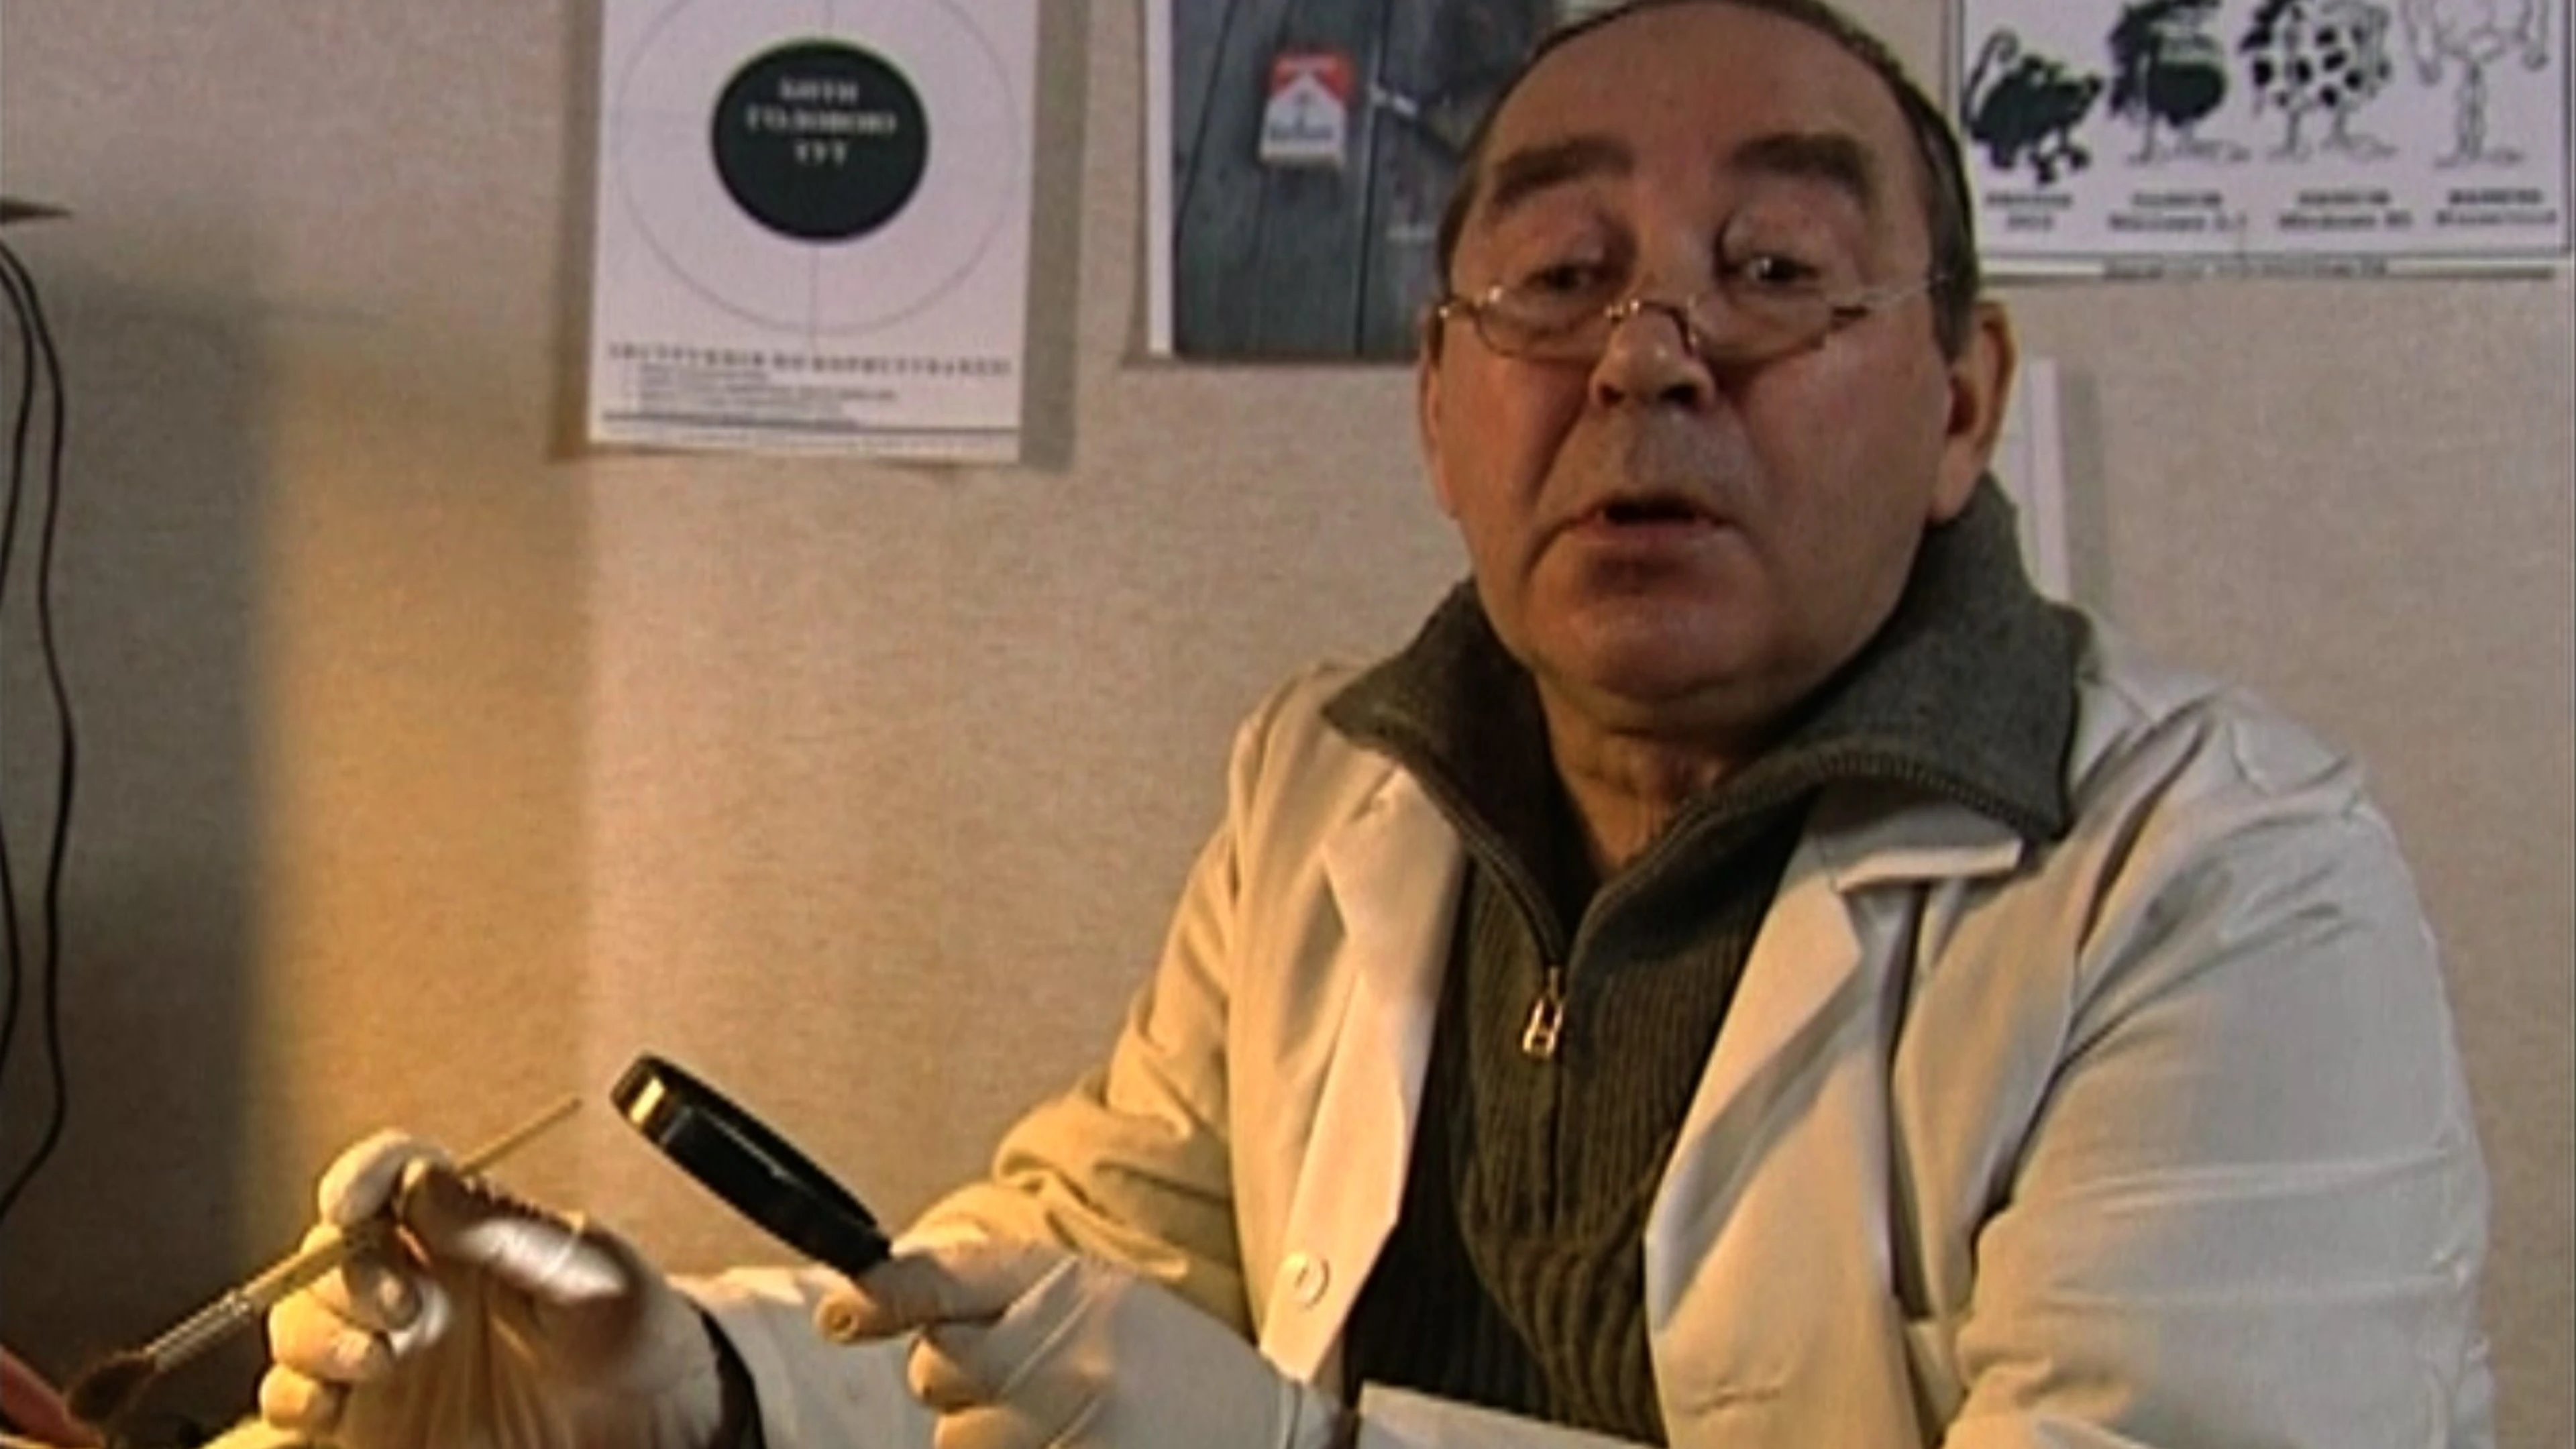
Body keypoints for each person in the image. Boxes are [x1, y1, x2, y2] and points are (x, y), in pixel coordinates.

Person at [253, 2, 2495, 1446]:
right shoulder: (1338, 780)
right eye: (1559, 280)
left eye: (1775, 274)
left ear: (1961, 403)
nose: (1646, 357)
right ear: (1440, 400)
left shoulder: (2222, 876)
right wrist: (691, 1381)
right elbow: (1064, 1298)